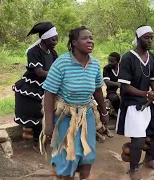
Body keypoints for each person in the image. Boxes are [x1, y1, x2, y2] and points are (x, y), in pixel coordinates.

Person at [40, 26, 109, 179]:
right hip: (65, 116)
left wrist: (104, 113)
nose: (90, 41)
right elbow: (49, 93)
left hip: (87, 114)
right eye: (85, 38)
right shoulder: (61, 63)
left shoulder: (95, 64)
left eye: (91, 38)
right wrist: (49, 124)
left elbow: (98, 90)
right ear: (74, 42)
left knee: (87, 154)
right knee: (67, 155)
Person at [116, 25, 154, 180]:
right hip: (133, 103)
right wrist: (146, 93)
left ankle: (150, 158)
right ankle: (133, 168)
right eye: (146, 37)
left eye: (151, 37)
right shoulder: (127, 58)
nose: (150, 40)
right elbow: (125, 86)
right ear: (138, 39)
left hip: (149, 100)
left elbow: (153, 79)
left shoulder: (151, 57)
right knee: (138, 139)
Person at [12, 21, 58, 151]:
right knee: (37, 113)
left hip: (48, 82)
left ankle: (49, 137)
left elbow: (57, 67)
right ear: (45, 38)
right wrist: (57, 74)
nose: (56, 41)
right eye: (53, 39)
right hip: (34, 84)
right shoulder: (33, 52)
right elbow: (39, 72)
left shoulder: (52, 52)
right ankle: (37, 141)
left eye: (56, 39)